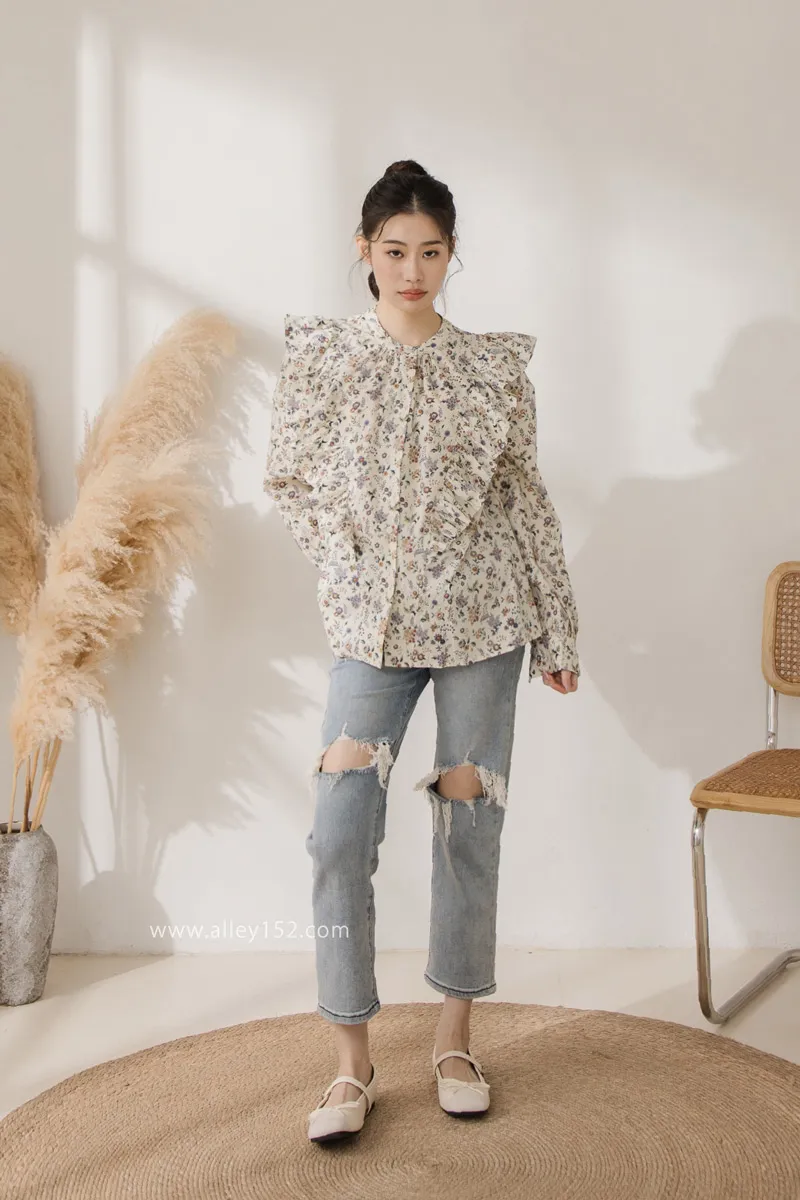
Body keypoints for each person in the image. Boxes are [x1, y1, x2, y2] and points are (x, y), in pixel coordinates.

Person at [263, 159, 580, 1144]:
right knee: (337, 830)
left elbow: (523, 498)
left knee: (467, 825)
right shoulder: (323, 355)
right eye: (394, 251)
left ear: (451, 255)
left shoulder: (492, 368)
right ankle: (350, 1062)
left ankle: (453, 1040)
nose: (411, 271)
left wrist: (556, 627)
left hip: (484, 621)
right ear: (363, 249)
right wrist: (345, 566)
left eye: (430, 252)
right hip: (372, 629)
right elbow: (289, 479)